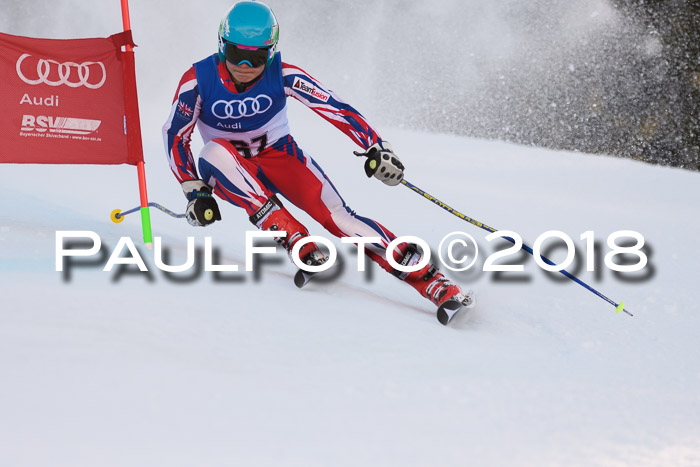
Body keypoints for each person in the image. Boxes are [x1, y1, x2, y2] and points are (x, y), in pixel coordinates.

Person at [163, 1, 473, 322]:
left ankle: (433, 282)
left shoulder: (284, 74)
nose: (244, 65)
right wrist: (195, 191)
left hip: (280, 157)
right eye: (234, 53)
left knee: (340, 219)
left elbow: (335, 107)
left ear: (270, 53)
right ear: (220, 46)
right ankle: (298, 240)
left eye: (255, 57)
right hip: (228, 169)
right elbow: (174, 136)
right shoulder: (197, 80)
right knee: (213, 152)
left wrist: (376, 148)